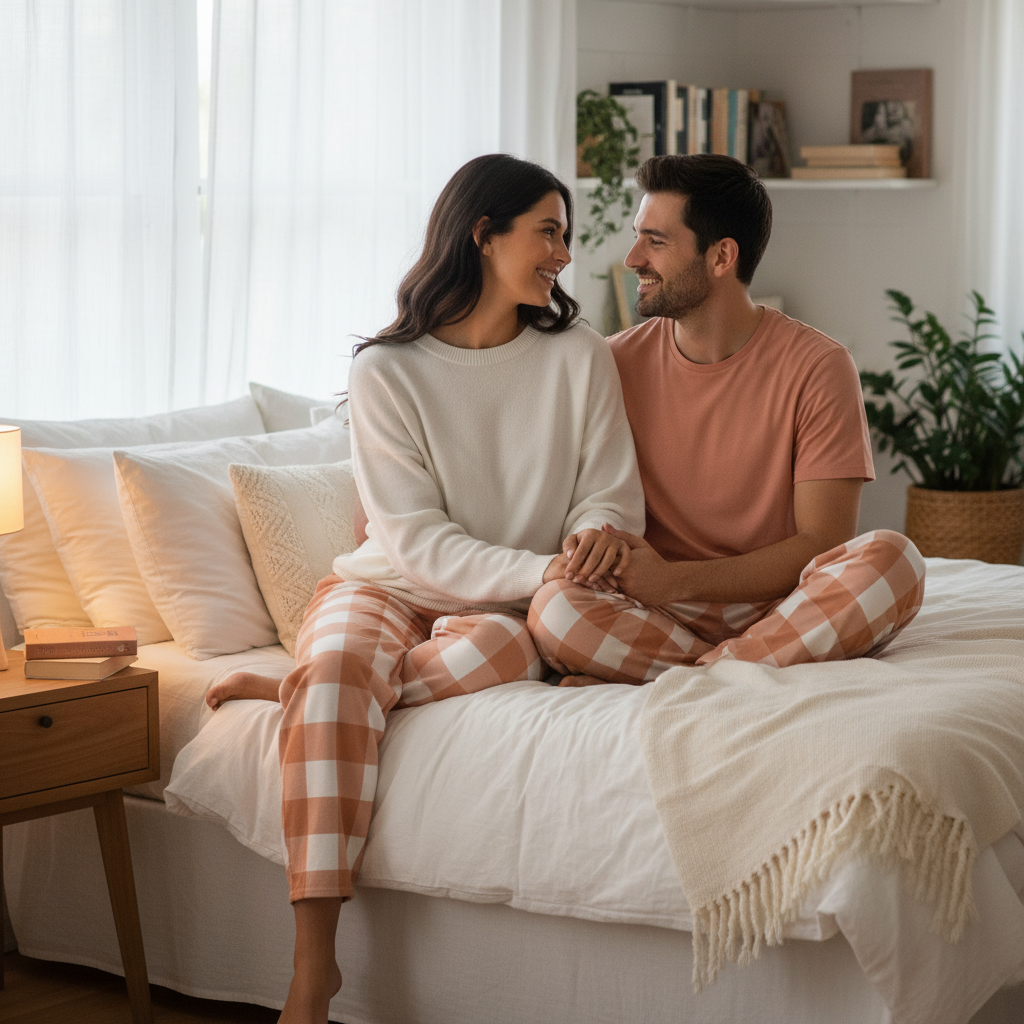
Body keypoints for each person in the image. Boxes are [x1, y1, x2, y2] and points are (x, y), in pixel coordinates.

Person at [204, 153, 645, 1024]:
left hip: (506, 606)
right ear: (483, 235)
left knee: (495, 652)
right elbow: (414, 542)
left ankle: (307, 688)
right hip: (390, 587)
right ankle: (312, 968)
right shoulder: (387, 371)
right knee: (342, 666)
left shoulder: (579, 356)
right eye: (547, 232)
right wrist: (542, 568)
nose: (565, 254)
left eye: (564, 234)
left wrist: (591, 535)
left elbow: (610, 491)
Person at [528, 153, 925, 683]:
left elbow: (822, 544)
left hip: (781, 606)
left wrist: (675, 580)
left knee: (893, 560)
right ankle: (743, 672)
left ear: (721, 257)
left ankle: (696, 677)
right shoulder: (612, 362)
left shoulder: (820, 367)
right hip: (658, 611)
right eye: (637, 236)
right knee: (553, 609)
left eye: (656, 241)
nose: (632, 258)